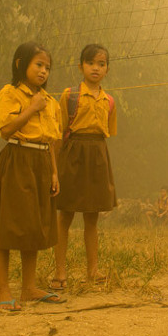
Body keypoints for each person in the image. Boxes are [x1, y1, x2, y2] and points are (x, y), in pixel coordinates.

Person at [0, 42, 66, 310]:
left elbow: (52, 140)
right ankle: (3, 290)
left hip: (41, 162)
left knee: (34, 226)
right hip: (17, 159)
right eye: (38, 65)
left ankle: (29, 287)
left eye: (47, 67)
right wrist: (31, 108)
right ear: (20, 65)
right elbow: (6, 129)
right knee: (7, 225)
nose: (43, 72)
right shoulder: (10, 94)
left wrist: (54, 172)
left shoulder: (51, 101)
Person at [51, 44, 117, 290]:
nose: (96, 68)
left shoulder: (109, 101)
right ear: (81, 67)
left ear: (107, 69)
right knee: (65, 214)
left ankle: (93, 270)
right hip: (72, 154)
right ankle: (59, 271)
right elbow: (58, 134)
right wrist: (54, 169)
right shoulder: (69, 96)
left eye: (101, 64)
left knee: (92, 217)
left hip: (98, 155)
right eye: (91, 63)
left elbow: (107, 135)